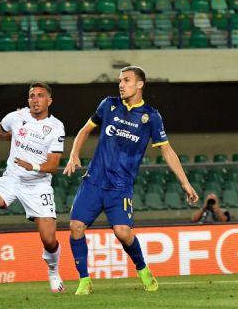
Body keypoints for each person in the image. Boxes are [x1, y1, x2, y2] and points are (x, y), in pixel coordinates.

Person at [64, 66, 199, 295]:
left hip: (121, 186)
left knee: (123, 232)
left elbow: (167, 150)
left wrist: (185, 182)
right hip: (95, 180)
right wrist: (74, 153)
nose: (121, 84)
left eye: (126, 80)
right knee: (76, 226)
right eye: (120, 80)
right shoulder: (108, 105)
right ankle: (84, 280)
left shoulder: (151, 116)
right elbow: (85, 130)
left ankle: (142, 268)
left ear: (139, 84)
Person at [0, 82, 66, 293]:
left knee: (49, 240)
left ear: (49, 101)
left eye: (40, 96)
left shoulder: (56, 127)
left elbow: (52, 166)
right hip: (12, 179)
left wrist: (31, 165)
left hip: (38, 185)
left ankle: (53, 271)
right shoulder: (15, 117)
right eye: (31, 96)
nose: (35, 99)